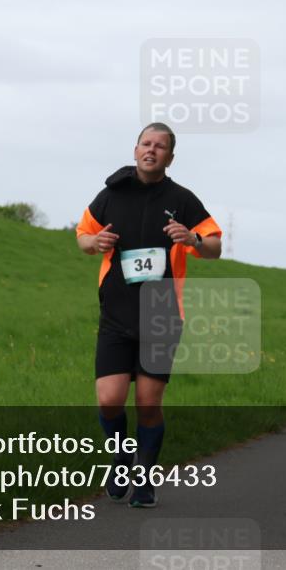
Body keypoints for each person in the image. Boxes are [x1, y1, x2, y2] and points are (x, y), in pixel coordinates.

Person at [76, 122, 222, 507]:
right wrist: (94, 242)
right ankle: (122, 458)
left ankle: (144, 476)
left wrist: (193, 239)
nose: (151, 150)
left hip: (160, 314)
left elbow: (215, 246)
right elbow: (82, 236)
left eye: (160, 146)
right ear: (136, 148)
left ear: (170, 157)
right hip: (115, 313)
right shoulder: (111, 193)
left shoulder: (183, 199)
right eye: (146, 143)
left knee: (147, 403)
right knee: (109, 399)